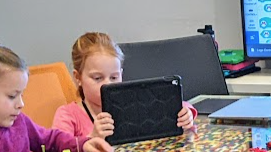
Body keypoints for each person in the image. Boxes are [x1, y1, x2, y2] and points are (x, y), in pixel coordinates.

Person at [52, 32, 197, 140]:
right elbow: (58, 150)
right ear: (78, 77)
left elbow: (174, 105)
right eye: (97, 78)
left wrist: (186, 113)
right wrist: (91, 138)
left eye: (114, 77)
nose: (107, 84)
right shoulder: (68, 115)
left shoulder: (132, 103)